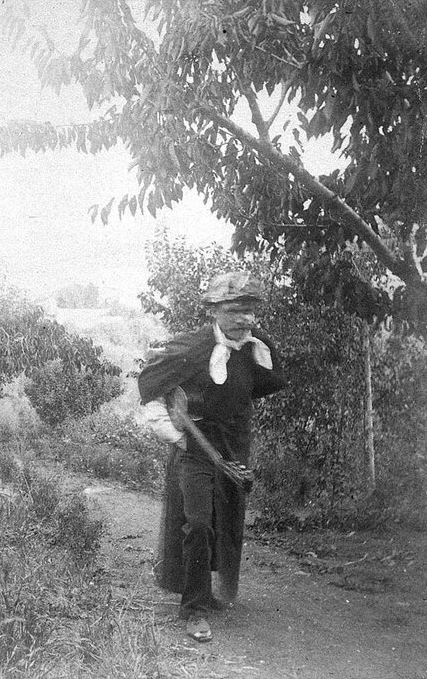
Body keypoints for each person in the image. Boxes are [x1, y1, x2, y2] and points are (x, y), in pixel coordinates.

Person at [137, 271, 287, 643]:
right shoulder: (191, 348)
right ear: (214, 311)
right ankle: (195, 610)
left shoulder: (255, 347)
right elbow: (151, 391)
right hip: (196, 449)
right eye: (237, 311)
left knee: (227, 522)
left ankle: (210, 593)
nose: (246, 320)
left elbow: (262, 386)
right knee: (199, 522)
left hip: (234, 448)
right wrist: (176, 436)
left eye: (251, 311)